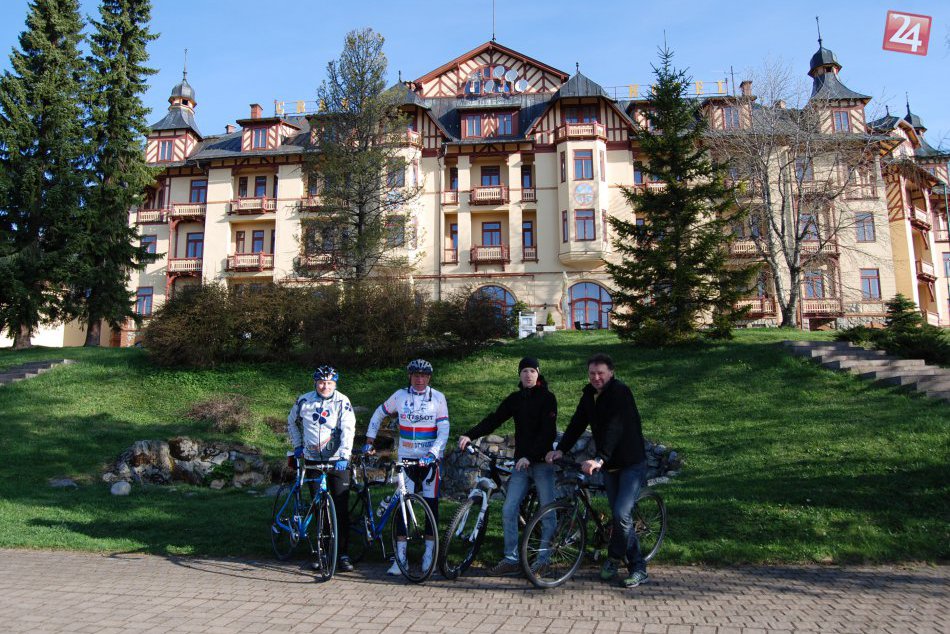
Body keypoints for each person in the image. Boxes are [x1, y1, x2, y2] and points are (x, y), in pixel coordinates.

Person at [546, 353, 649, 588]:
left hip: (630, 462)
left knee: (622, 514)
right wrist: (561, 449)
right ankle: (614, 555)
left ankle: (638, 567)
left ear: (611, 372)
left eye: (600, 373)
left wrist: (599, 459)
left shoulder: (620, 392)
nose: (596, 377)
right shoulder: (589, 395)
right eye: (592, 373)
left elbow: (615, 427)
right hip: (611, 465)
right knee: (617, 514)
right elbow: (577, 423)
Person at [458, 356, 557, 576]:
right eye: (524, 371)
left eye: (532, 371)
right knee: (508, 508)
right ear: (519, 376)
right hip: (522, 465)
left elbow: (547, 432)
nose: (528, 375)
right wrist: (470, 435)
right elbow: (494, 419)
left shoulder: (548, 398)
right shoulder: (516, 399)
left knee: (547, 511)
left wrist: (530, 457)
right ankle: (511, 558)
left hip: (540, 463)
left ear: (538, 373)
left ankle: (543, 559)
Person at [364, 358, 449, 575]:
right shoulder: (400, 396)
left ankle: (428, 556)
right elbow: (378, 413)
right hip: (407, 458)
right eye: (416, 375)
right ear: (410, 376)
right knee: (403, 506)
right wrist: (369, 440)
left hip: (430, 461)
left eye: (424, 376)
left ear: (429, 377)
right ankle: (399, 558)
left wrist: (433, 453)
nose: (420, 379)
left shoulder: (438, 398)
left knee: (431, 507)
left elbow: (444, 429)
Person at [287, 365, 357, 573]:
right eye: (321, 382)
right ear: (315, 382)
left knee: (340, 508)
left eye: (329, 383)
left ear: (335, 383)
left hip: (337, 462)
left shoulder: (342, 401)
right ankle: (322, 552)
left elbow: (348, 428)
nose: (325, 386)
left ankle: (342, 554)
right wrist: (297, 445)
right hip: (313, 462)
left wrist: (345, 454)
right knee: (319, 508)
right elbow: (291, 422)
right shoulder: (304, 400)